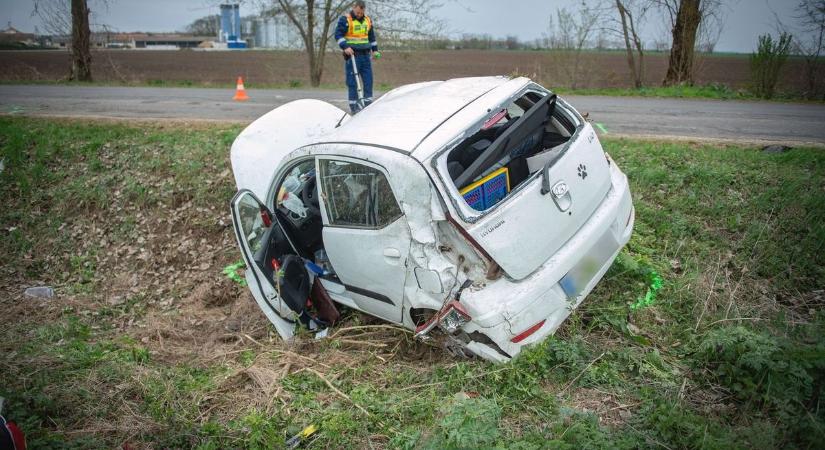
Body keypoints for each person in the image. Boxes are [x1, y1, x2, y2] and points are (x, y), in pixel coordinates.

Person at [335, 1, 379, 113]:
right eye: (358, 12)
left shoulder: (368, 20)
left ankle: (368, 106)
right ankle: (354, 108)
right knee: (353, 83)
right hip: (353, 57)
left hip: (366, 56)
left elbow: (371, 37)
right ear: (354, 8)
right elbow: (338, 35)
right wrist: (345, 47)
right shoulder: (345, 20)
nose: (359, 14)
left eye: (361, 12)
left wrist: (375, 51)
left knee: (368, 81)